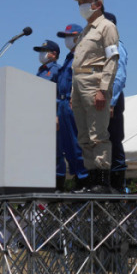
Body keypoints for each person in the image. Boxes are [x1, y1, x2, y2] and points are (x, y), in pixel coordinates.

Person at [71, 0, 119, 193]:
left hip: (94, 81)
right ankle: (91, 179)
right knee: (84, 136)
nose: (81, 5)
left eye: (85, 1)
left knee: (97, 134)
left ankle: (102, 179)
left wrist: (103, 88)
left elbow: (112, 58)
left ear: (97, 4)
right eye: (80, 1)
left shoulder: (107, 27)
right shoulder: (85, 31)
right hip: (79, 82)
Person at [55, 23, 89, 192]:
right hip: (62, 104)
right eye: (65, 36)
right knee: (66, 146)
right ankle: (76, 177)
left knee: (77, 144)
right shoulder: (68, 58)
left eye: (70, 36)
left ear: (78, 37)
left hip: (73, 103)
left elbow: (83, 81)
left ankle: (84, 179)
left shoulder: (82, 56)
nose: (67, 40)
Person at [104, 12, 129, 193]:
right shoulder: (97, 48)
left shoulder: (116, 46)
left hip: (111, 98)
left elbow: (119, 76)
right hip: (97, 99)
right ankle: (103, 182)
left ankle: (117, 185)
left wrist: (111, 102)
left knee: (114, 140)